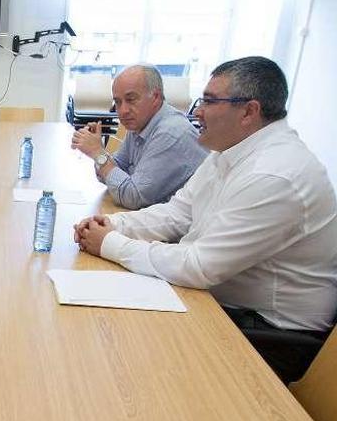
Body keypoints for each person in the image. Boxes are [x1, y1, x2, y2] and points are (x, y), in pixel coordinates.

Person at [74, 56, 337, 383]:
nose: (197, 111)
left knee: (131, 359)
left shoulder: (274, 175)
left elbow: (200, 266)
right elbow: (177, 213)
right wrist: (112, 225)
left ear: (249, 112)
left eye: (210, 101)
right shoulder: (228, 151)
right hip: (224, 303)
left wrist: (110, 243)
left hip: (270, 333)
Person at [71, 64, 208, 209]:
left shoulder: (170, 133)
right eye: (117, 102)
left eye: (131, 99)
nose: (123, 111)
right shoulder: (140, 122)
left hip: (190, 227)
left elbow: (133, 198)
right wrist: (100, 153)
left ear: (155, 97)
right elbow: (113, 173)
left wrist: (98, 153)